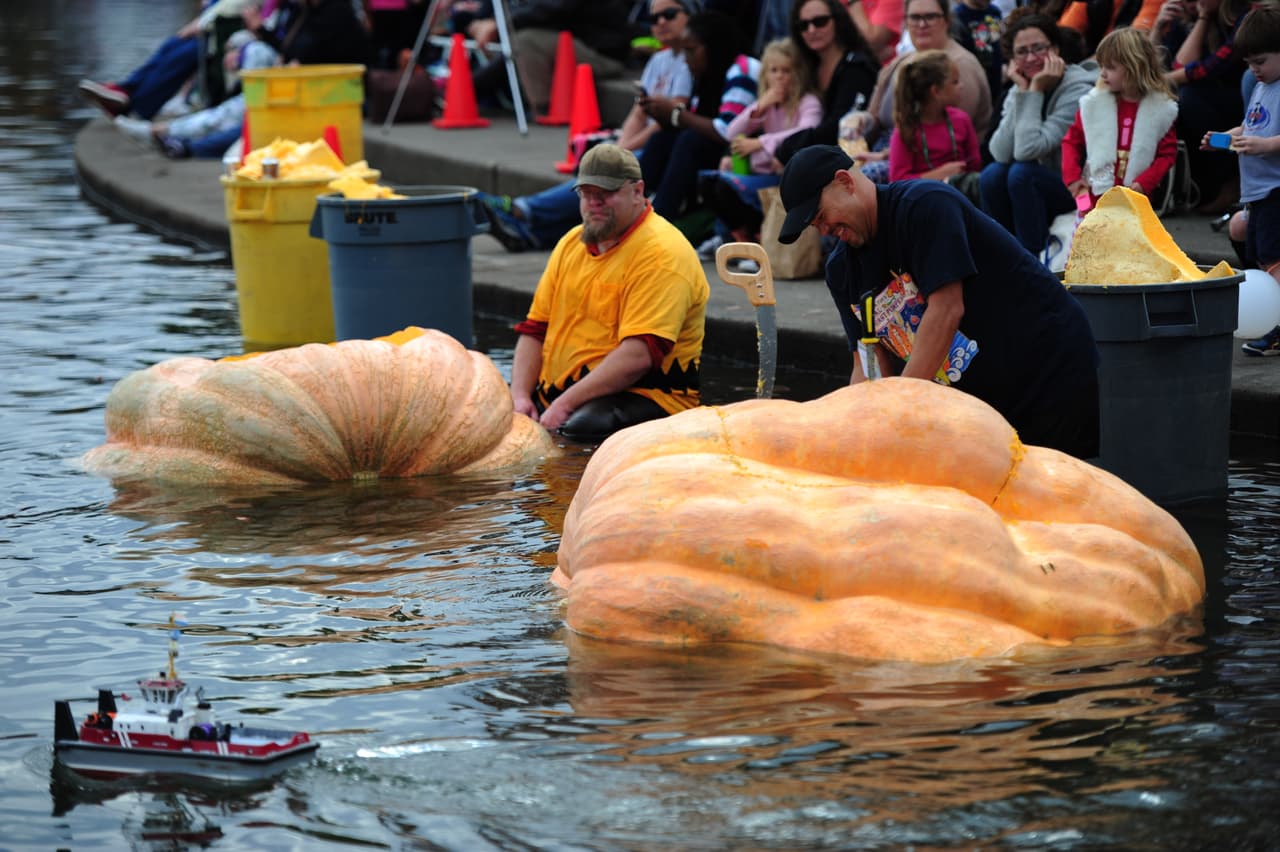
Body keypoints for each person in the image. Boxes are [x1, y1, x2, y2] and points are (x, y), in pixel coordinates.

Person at [775, 144, 1100, 458]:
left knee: (1054, 498)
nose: (825, 230)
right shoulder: (841, 271)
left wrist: (901, 409)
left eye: (820, 216)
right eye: (815, 226)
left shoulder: (924, 206)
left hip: (1048, 372)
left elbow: (946, 309)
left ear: (845, 183)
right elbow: (868, 361)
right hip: (980, 409)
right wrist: (856, 427)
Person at [508, 144, 710, 443]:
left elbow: (638, 356)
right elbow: (535, 329)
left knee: (580, 428)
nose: (594, 203)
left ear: (637, 192)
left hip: (647, 396)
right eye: (587, 194)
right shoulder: (570, 243)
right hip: (569, 394)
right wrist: (519, 397)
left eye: (606, 193)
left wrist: (564, 405)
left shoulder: (662, 253)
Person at [478, 0, 695, 252]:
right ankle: (531, 232)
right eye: (653, 17)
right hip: (643, 145)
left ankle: (521, 210)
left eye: (669, 15)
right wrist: (619, 147)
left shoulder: (688, 62)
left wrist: (622, 152)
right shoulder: (660, 59)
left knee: (608, 179)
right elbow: (639, 113)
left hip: (663, 146)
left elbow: (668, 122)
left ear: (691, 15)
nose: (660, 22)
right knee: (601, 176)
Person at [980, 13, 1097, 254]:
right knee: (992, 175)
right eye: (1022, 52)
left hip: (1080, 190)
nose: (1031, 58)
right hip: (1034, 189)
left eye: (1038, 48)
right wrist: (1024, 91)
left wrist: (1032, 92)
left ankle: (1030, 259)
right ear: (1012, 59)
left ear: (1055, 49)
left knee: (1022, 174)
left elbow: (1027, 150)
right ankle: (1000, 255)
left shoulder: (1078, 89)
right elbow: (999, 152)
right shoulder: (1020, 86)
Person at [841, 0, 993, 182]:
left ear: (946, 21)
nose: (922, 24)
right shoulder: (901, 62)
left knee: (865, 179)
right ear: (905, 22)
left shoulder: (960, 66)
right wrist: (860, 121)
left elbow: (949, 139)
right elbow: (874, 116)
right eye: (914, 17)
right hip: (889, 150)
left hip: (926, 167)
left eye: (930, 16)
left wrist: (885, 156)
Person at [1204, 5, 1280, 356]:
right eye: (1249, 63)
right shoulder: (1263, 87)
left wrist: (1266, 145)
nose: (1254, 70)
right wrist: (1221, 139)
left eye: (1261, 61)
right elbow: (1249, 130)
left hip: (1275, 190)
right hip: (1258, 193)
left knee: (1272, 260)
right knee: (1259, 253)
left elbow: (1263, 139)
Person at [637, 12, 760, 226]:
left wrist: (676, 114)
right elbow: (695, 119)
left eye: (691, 50)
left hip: (748, 154)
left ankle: (660, 221)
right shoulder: (707, 72)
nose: (686, 58)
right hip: (721, 150)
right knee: (662, 138)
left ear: (713, 47)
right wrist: (661, 114)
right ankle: (633, 206)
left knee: (690, 141)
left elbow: (728, 130)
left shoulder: (743, 68)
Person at [699, 38, 822, 250]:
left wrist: (760, 143)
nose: (780, 76)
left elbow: (806, 132)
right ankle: (743, 240)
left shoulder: (808, 102)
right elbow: (731, 133)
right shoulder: (768, 104)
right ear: (765, 75)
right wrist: (760, 108)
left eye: (786, 70)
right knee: (709, 182)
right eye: (774, 70)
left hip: (787, 177)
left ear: (799, 74)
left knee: (726, 185)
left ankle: (757, 242)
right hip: (763, 172)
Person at [78, 0, 259, 120]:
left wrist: (203, 22)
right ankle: (127, 91)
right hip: (216, 31)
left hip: (230, 35)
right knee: (173, 45)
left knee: (185, 52)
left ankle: (132, 103)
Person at [1062, 27, 1179, 212]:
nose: (1102, 73)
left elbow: (1167, 154)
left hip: (1134, 198)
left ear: (1134, 67)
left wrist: (1143, 183)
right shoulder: (1093, 103)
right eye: (1101, 66)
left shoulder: (1162, 110)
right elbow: (1071, 141)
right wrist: (1073, 179)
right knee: (1084, 235)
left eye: (1110, 67)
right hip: (1088, 193)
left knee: (1126, 239)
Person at [467, 0, 633, 112]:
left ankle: (545, 107)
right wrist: (488, 21)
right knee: (523, 38)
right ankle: (470, 88)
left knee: (526, 40)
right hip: (577, 44)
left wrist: (498, 23)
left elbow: (551, 9)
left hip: (602, 55)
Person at [1164, 0, 1251, 214]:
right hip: (1216, 106)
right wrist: (1159, 28)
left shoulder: (1246, 16)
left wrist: (1160, 80)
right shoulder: (1187, 18)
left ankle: (1233, 181)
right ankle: (1187, 188)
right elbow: (1177, 63)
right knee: (1178, 102)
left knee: (1191, 98)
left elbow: (1213, 68)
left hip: (1238, 98)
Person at [775, 0, 880, 163]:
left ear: (837, 21)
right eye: (804, 25)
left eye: (820, 22)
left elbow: (838, 127)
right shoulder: (803, 67)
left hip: (849, 165)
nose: (812, 30)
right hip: (802, 160)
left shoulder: (857, 69)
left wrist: (784, 147)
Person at [887, 50, 982, 182]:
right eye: (955, 82)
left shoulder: (961, 119)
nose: (961, 86)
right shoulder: (907, 129)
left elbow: (975, 163)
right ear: (936, 91)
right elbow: (897, 179)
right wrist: (939, 174)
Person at [950, 0, 1005, 105]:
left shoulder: (995, 12)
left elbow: (999, 41)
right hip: (973, 80)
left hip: (996, 80)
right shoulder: (958, 16)